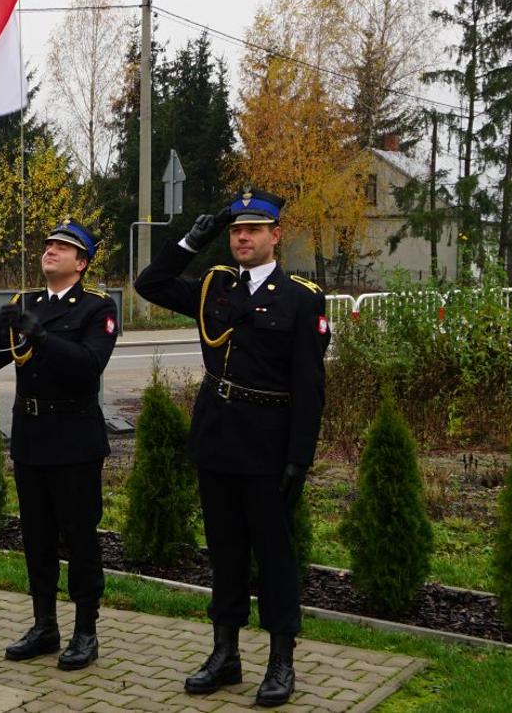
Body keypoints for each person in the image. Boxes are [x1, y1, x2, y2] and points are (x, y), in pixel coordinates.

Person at [135, 188, 330, 707]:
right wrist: (189, 240)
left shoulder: (301, 297)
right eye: (235, 230)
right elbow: (149, 284)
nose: (242, 237)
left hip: (268, 444)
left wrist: (299, 458)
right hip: (217, 438)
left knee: (274, 556)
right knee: (224, 553)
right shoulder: (214, 287)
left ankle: (281, 661)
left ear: (275, 236)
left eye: (253, 229)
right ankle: (225, 655)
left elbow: (310, 386)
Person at [0, 219, 119, 671]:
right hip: (32, 436)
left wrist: (40, 335)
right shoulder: (27, 302)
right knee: (36, 538)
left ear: (81, 262)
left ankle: (85, 630)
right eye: (48, 243)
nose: (50, 250)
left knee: (79, 538)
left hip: (74, 439)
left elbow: (88, 365)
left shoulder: (97, 307)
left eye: (63, 246)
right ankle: (44, 625)